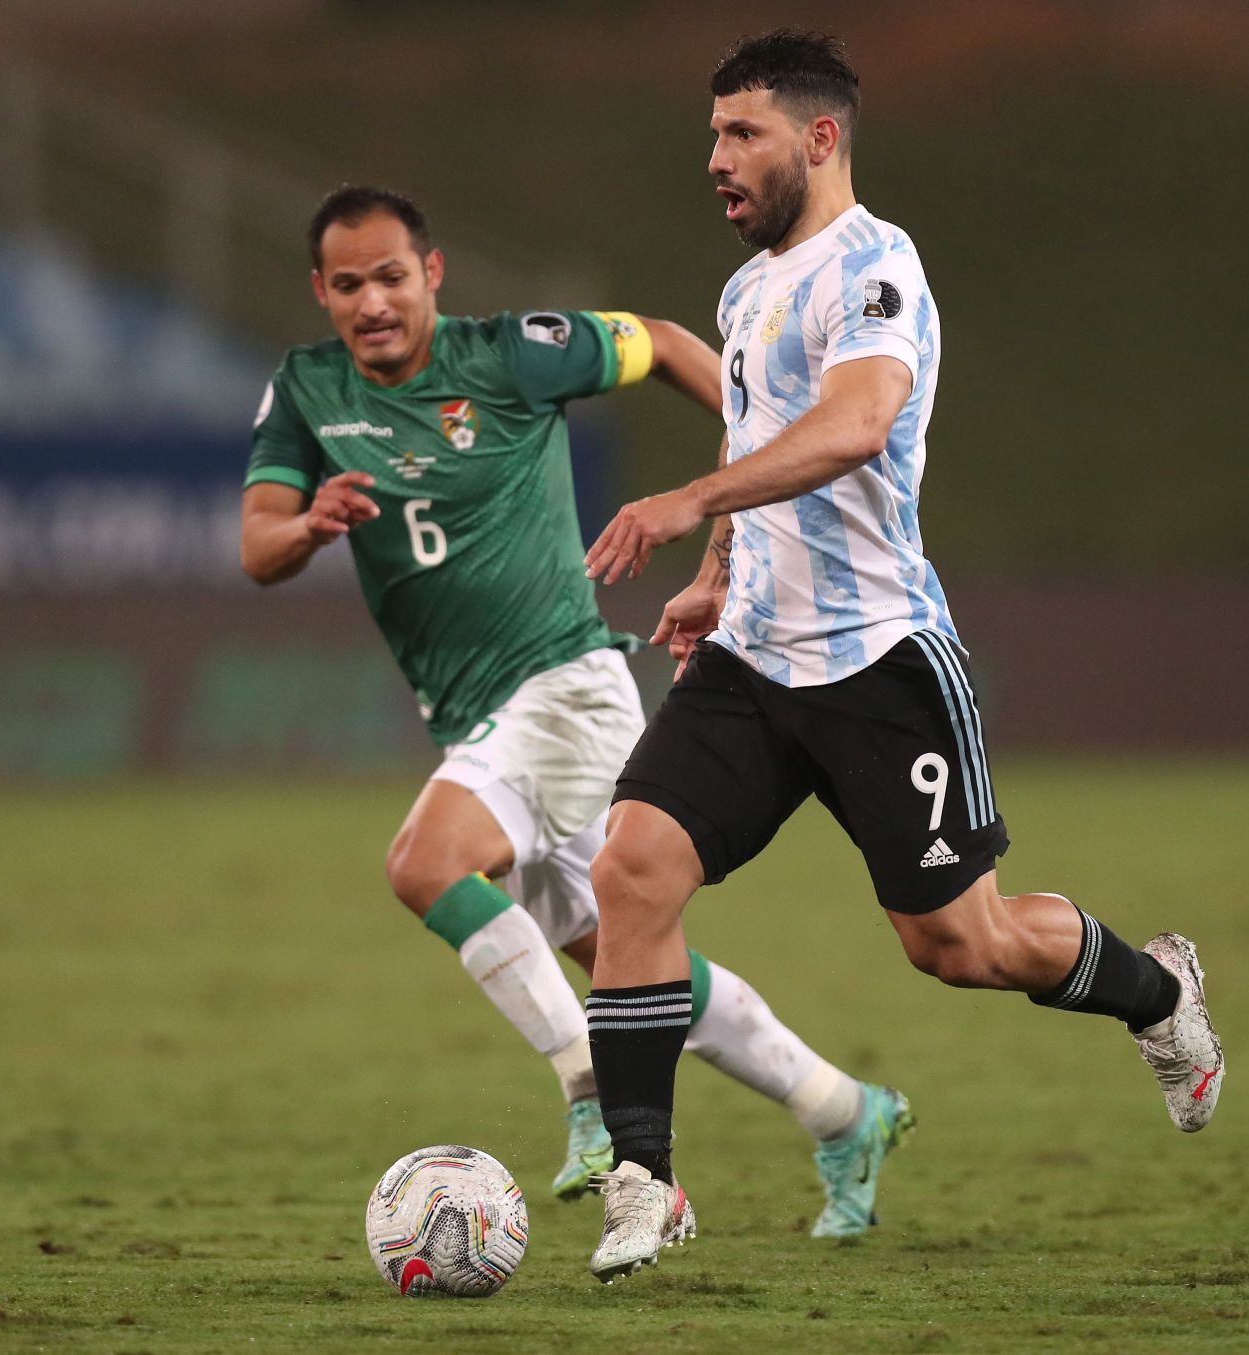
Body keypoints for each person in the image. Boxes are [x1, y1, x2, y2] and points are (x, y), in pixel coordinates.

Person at [574, 31, 1226, 1284]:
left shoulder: (877, 268)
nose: (716, 157)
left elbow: (859, 424)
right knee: (632, 874)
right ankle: (643, 1184)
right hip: (756, 661)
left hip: (880, 663)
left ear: (820, 139)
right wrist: (715, 577)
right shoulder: (746, 290)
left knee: (960, 947)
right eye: (713, 134)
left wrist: (684, 506)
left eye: (742, 133)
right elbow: (763, 427)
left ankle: (1157, 991)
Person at [239, 184, 912, 1237]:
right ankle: (845, 1110)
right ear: (320, 291)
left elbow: (670, 341)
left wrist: (738, 472)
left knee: (427, 863)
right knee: (628, 970)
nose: (373, 301)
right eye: (349, 283)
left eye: (392, 276)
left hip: (564, 683)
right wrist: (313, 524)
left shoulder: (513, 352)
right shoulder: (308, 389)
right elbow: (257, 546)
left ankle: (593, 1104)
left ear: (434, 275)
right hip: (474, 716)